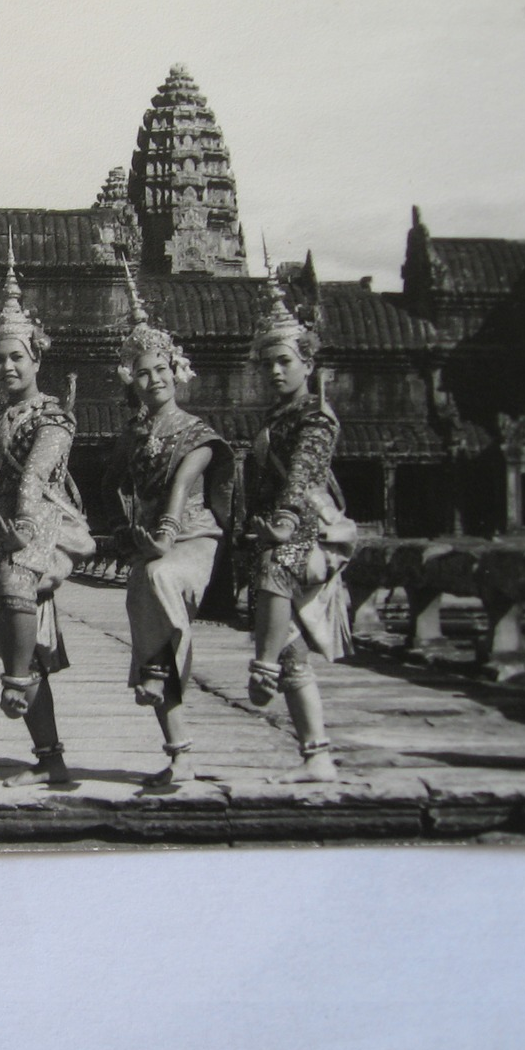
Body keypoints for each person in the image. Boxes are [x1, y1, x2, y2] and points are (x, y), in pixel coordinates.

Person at [106, 261, 232, 787]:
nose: (153, 379)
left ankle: (159, 668)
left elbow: (187, 476)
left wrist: (166, 528)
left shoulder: (193, 429)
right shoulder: (132, 434)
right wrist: (128, 528)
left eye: (160, 369)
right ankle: (179, 752)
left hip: (192, 537)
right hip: (153, 542)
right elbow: (122, 490)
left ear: (175, 369)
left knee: (158, 579)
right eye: (142, 372)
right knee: (143, 590)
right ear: (130, 379)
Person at [0, 240, 94, 787]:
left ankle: (15, 685)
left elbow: (35, 476)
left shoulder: (53, 416)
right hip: (0, 527)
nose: (5, 366)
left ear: (36, 358)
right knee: (13, 626)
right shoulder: (0, 417)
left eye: (15, 356)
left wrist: (22, 527)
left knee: (17, 586)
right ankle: (52, 761)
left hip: (38, 521)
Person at [244, 275, 355, 783]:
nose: (274, 370)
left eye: (284, 360)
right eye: (267, 362)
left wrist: (285, 521)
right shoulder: (275, 417)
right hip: (278, 532)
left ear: (308, 364)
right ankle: (318, 756)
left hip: (309, 532)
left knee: (274, 570)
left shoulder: (316, 417)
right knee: (293, 652)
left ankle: (260, 667)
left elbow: (306, 474)